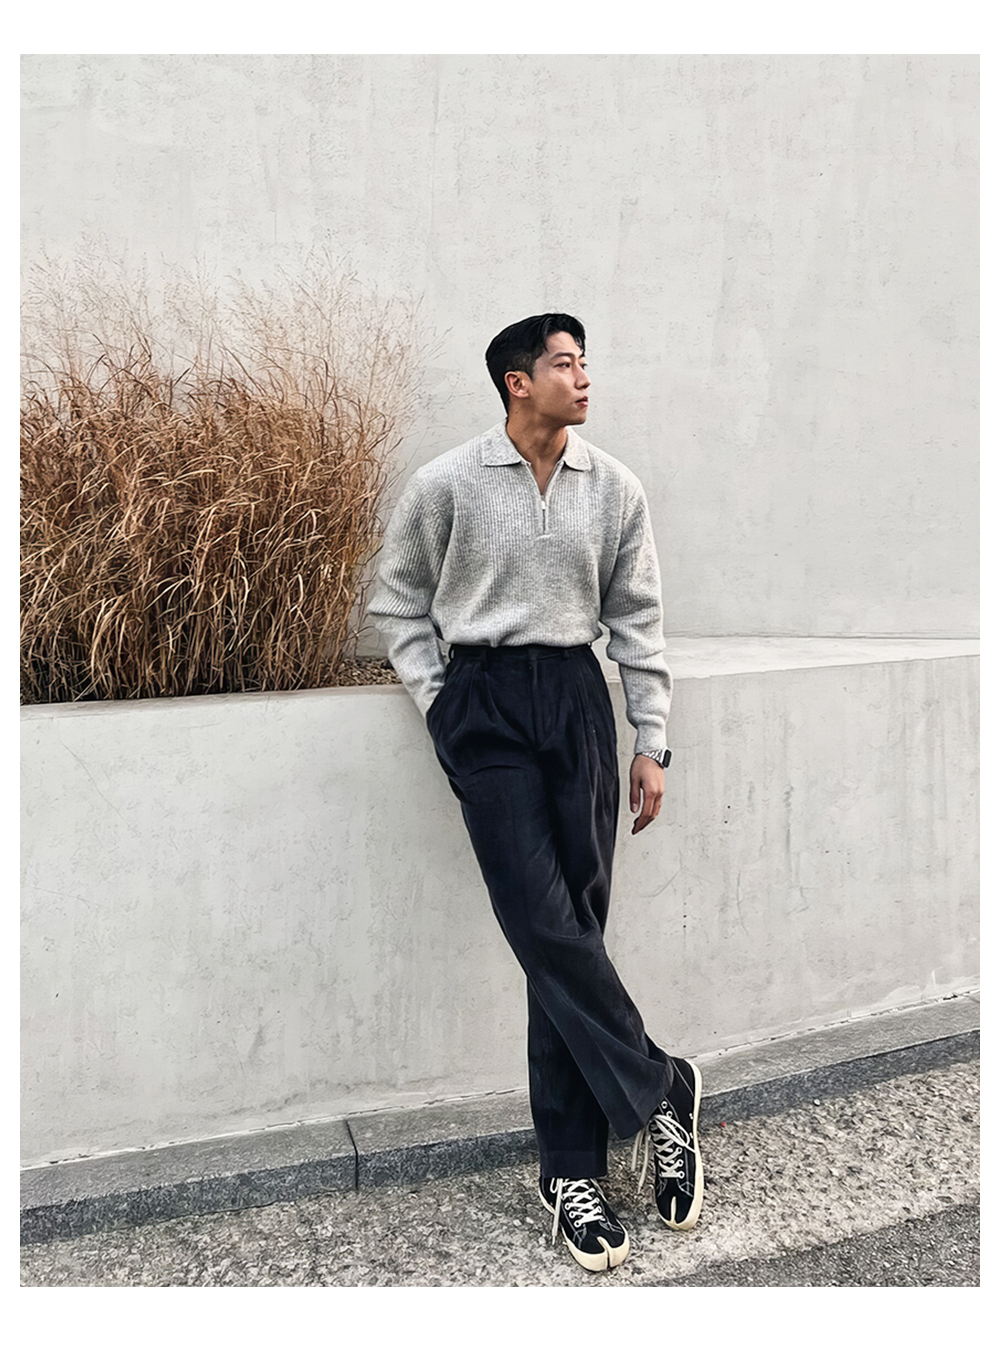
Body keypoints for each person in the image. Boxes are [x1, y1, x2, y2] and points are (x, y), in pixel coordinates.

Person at [368, 313, 703, 1273]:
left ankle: (571, 1173)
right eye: (564, 363)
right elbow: (397, 600)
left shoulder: (615, 487)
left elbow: (638, 618)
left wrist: (652, 740)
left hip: (576, 703)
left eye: (584, 361)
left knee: (572, 934)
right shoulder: (447, 482)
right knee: (542, 924)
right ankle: (662, 1084)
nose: (583, 375)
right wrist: (440, 703)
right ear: (518, 382)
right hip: (484, 705)